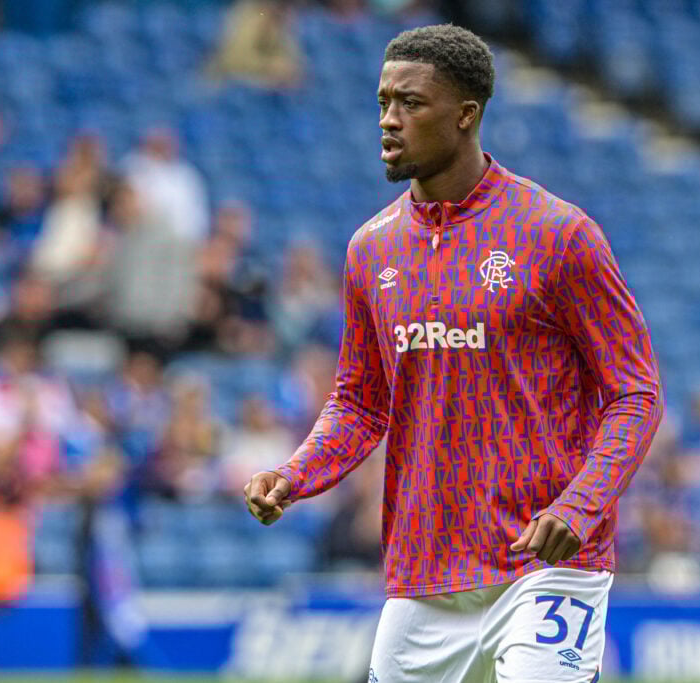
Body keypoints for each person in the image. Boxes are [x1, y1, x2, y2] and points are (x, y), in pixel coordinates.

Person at [245, 24, 662, 682]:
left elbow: (635, 394)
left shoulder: (558, 235)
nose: (389, 119)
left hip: (545, 564)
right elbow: (360, 402)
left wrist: (580, 505)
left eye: (410, 103)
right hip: (425, 569)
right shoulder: (371, 249)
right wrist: (296, 475)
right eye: (383, 102)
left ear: (466, 114)